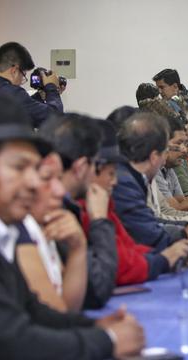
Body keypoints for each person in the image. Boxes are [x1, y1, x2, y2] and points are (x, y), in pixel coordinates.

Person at [0, 95, 143, 359]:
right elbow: (7, 342)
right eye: (19, 167)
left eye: (34, 168)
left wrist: (93, 326)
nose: (32, 182)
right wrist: (106, 340)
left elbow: (32, 309)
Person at [84, 120, 188, 285]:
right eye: (111, 173)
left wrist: (165, 257)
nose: (115, 182)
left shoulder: (102, 196)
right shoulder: (117, 187)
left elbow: (127, 247)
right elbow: (106, 275)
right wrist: (164, 259)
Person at [39, 114, 117, 309]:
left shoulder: (69, 205)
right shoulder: (54, 211)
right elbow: (98, 288)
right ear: (82, 166)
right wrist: (99, 220)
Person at [17, 151, 88, 312]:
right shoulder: (18, 232)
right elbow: (57, 315)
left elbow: (68, 308)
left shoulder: (44, 225)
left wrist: (78, 248)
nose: (60, 191)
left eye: (59, 178)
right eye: (46, 178)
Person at [0, 42, 63, 128]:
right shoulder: (12, 94)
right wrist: (51, 87)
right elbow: (55, 120)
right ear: (14, 71)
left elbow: (21, 110)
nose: (21, 82)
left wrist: (40, 96)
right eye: (23, 75)